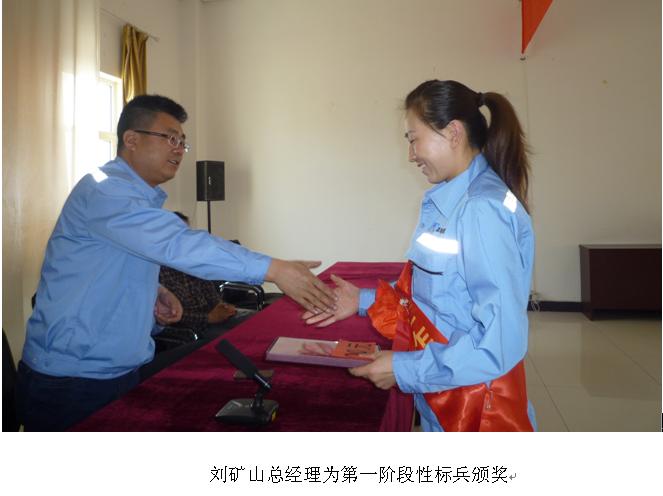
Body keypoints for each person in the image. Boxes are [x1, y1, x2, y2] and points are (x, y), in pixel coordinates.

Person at [16, 94, 337, 431]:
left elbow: (107, 263)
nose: (180, 149)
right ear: (132, 139)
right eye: (170, 138)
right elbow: (176, 243)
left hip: (114, 371)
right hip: (72, 382)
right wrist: (274, 269)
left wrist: (154, 290)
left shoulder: (134, 197)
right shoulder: (106, 190)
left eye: (183, 141)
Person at [304, 80, 536, 432]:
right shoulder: (452, 201)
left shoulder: (480, 209)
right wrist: (363, 300)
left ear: (453, 132)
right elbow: (436, 298)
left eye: (414, 139)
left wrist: (402, 369)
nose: (411, 155)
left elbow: (499, 341)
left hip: (475, 411)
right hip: (446, 392)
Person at [158, 211, 237, 332]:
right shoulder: (156, 270)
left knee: (255, 323)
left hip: (214, 319)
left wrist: (222, 307)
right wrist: (208, 318)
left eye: (187, 233)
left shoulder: (192, 261)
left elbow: (211, 295)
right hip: (189, 330)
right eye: (180, 234)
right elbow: (165, 315)